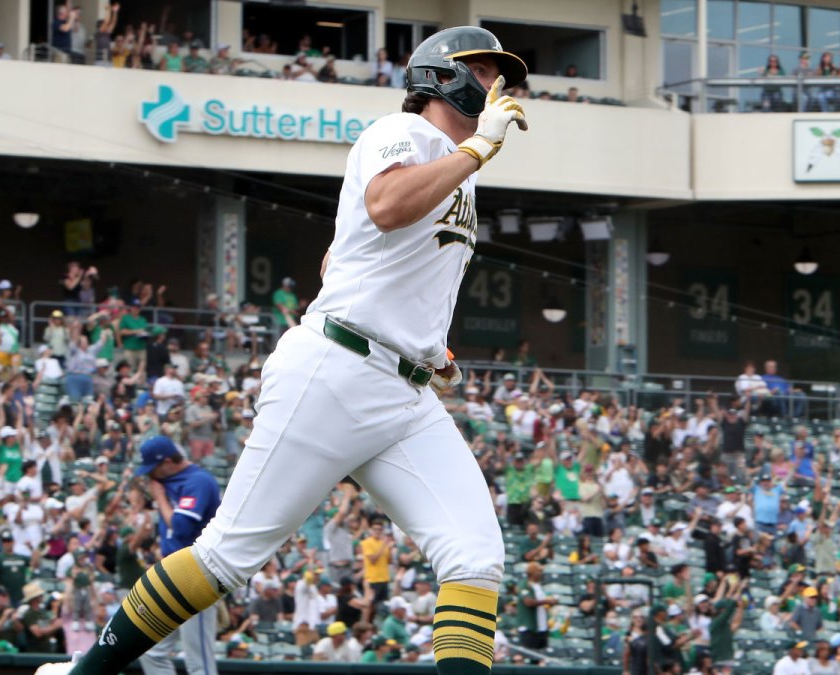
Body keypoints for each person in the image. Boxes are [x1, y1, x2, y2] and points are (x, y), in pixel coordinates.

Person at [39, 25, 528, 675]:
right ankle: (85, 673)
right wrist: (477, 148)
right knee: (223, 558)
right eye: (488, 69)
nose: (499, 84)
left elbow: (346, 253)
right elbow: (384, 206)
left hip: (403, 387)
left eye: (500, 73)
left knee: (474, 554)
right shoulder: (402, 133)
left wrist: (421, 337)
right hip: (340, 368)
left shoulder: (455, 164)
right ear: (444, 74)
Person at [133, 436, 221, 675]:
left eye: (155, 469)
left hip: (197, 575)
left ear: (170, 462)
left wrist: (160, 497)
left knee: (199, 663)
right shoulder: (169, 480)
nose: (152, 476)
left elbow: (181, 529)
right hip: (171, 575)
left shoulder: (198, 481)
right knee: (152, 652)